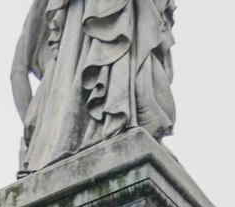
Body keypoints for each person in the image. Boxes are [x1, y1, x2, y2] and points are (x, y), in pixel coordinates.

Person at [12, 0, 177, 176]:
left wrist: (37, 134)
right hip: (78, 119)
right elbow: (18, 71)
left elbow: (17, 72)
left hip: (58, 128)